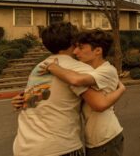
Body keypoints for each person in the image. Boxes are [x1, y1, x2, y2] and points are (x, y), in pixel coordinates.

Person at [11, 23, 123, 156]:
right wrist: (122, 89)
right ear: (73, 42)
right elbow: (99, 103)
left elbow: (34, 100)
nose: (77, 50)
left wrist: (19, 99)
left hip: (24, 146)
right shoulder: (77, 69)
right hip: (58, 147)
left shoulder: (39, 67)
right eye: (78, 44)